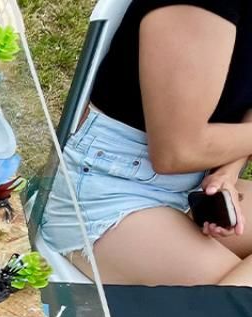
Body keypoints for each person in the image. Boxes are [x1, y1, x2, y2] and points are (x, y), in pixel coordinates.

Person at [40, 0, 252, 285]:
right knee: (238, 315)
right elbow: (178, 150)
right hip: (107, 189)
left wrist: (227, 172)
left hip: (191, 186)